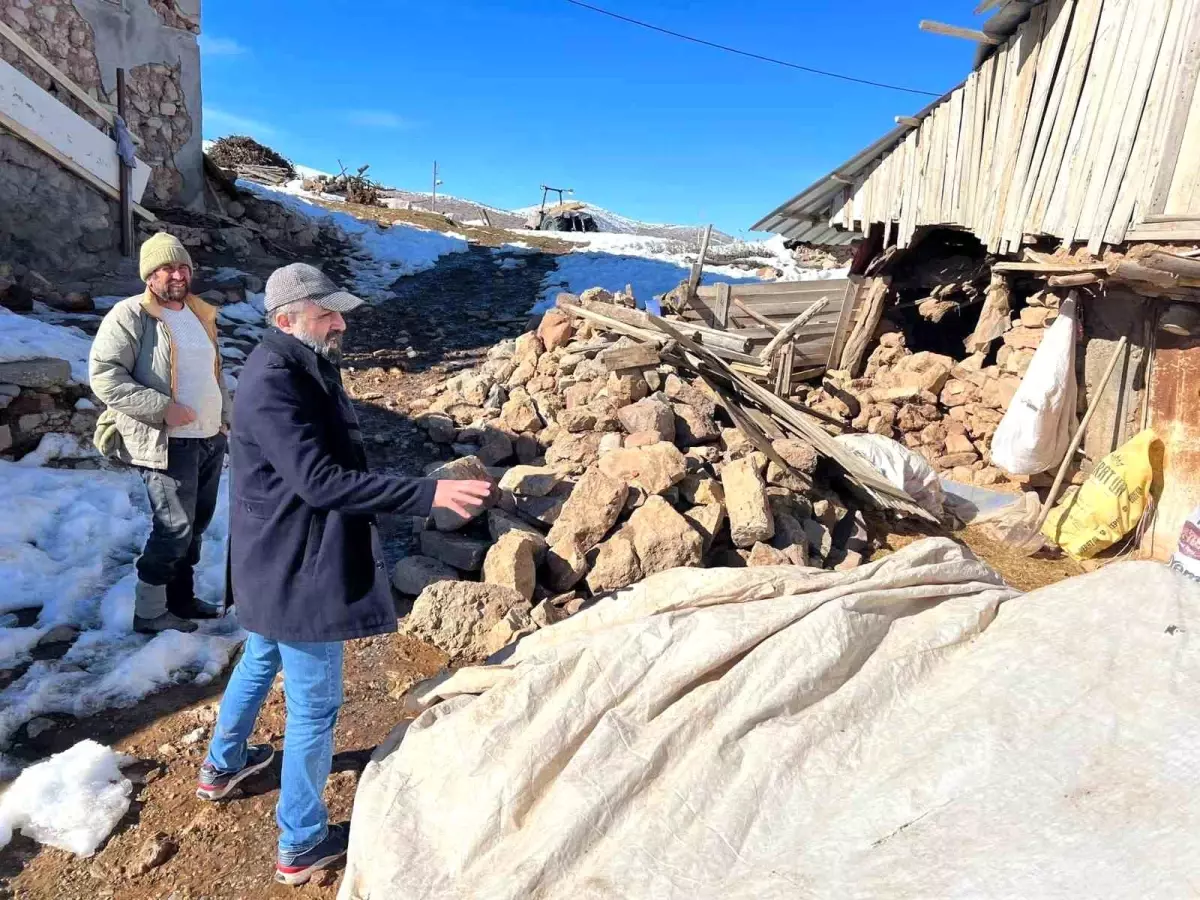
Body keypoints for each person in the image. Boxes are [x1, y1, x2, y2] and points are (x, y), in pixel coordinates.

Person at [196, 263, 492, 886]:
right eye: (326, 311)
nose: (340, 320)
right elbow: (318, 481)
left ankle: (222, 767)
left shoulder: (300, 361)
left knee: (258, 659)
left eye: (338, 309)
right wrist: (424, 495)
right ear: (286, 318)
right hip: (295, 565)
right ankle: (300, 845)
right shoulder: (275, 378)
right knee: (315, 707)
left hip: (271, 557)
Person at [90, 232, 231, 634]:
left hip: (208, 437)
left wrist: (226, 416)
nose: (178, 274)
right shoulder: (130, 314)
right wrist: (163, 408)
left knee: (196, 525)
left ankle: (180, 600)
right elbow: (105, 377)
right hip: (165, 441)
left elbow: (212, 374)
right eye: (167, 267)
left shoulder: (199, 314)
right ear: (150, 275)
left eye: (183, 266)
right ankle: (149, 613)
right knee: (174, 527)